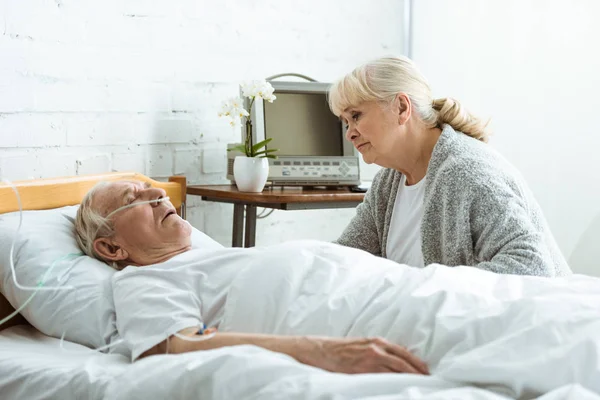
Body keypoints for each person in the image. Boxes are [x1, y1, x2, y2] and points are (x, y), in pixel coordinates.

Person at [73, 180, 600, 397]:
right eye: (136, 199)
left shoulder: (212, 256)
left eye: (152, 188)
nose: (157, 194)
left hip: (414, 289)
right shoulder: (146, 280)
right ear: (112, 249)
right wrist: (324, 352)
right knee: (561, 341)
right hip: (370, 321)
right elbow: (174, 348)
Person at [328, 56, 570, 276]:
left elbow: (532, 264)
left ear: (401, 108)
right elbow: (346, 259)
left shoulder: (467, 172)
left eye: (356, 116)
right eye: (346, 123)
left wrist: (426, 290)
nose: (350, 134)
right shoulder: (388, 183)